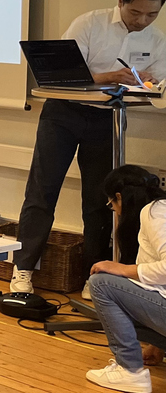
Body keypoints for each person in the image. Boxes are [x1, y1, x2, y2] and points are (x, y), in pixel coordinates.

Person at [12, 0, 166, 298]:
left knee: (99, 200)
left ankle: (92, 278)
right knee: (42, 191)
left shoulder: (157, 40)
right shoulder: (89, 23)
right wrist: (109, 76)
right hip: (63, 115)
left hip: (107, 118)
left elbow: (159, 87)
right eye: (135, 12)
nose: (142, 20)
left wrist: (148, 84)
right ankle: (23, 270)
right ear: (120, 1)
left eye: (152, 14)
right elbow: (62, 74)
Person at [84, 165, 166, 392]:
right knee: (125, 296)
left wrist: (121, 269)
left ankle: (129, 370)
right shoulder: (160, 209)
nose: (116, 211)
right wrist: (156, 345)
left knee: (101, 283)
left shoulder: (153, 213)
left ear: (119, 197)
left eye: (112, 205)